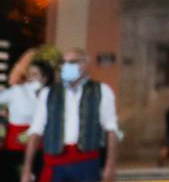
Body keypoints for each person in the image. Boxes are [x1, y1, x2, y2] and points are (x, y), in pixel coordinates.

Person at [21, 48, 119, 182]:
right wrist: (27, 169)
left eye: (73, 62)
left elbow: (111, 129)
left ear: (86, 64)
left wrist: (110, 166)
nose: (67, 66)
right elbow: (36, 129)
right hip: (54, 162)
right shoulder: (48, 93)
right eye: (64, 62)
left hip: (87, 163)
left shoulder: (101, 91)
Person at [0, 57, 52, 182]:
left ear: (45, 78)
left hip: (39, 148)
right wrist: (2, 123)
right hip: (14, 147)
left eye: (35, 74)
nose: (30, 77)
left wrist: (29, 133)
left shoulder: (50, 95)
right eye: (29, 74)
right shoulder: (17, 91)